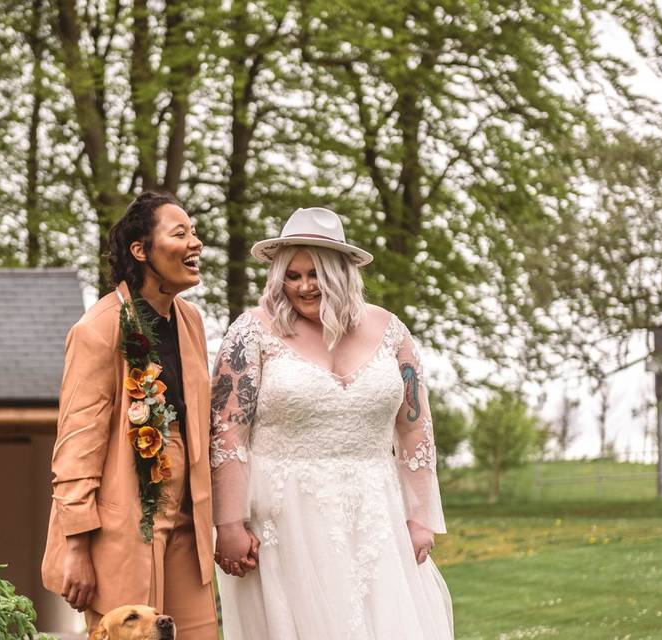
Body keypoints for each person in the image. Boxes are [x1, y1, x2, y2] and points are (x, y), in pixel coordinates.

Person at [210, 207, 454, 639]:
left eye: (315, 274)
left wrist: (421, 518)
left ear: (341, 273)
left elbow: (416, 429)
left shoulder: (391, 330)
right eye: (292, 275)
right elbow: (228, 433)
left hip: (376, 513)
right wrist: (229, 523)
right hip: (284, 518)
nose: (304, 286)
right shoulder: (251, 333)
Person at [41, 192, 219, 639]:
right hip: (122, 533)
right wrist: (76, 546)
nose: (195, 243)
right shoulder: (98, 328)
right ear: (140, 251)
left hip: (186, 524)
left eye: (194, 232)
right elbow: (76, 446)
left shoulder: (192, 321)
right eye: (180, 234)